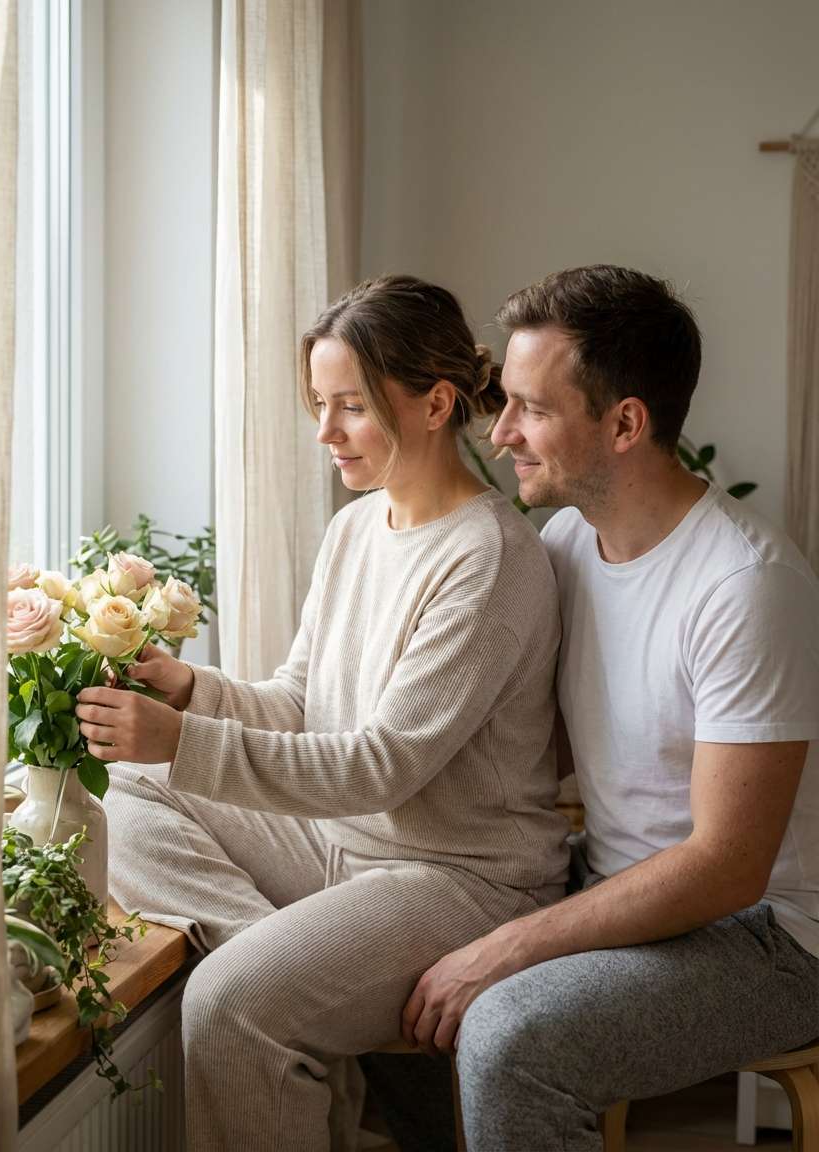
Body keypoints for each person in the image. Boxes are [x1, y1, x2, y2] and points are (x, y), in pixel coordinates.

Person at [75, 275, 571, 1152]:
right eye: (318, 403)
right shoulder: (356, 528)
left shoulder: (489, 559)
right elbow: (301, 703)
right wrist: (191, 692)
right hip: (341, 845)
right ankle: (287, 980)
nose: (324, 432)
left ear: (434, 403)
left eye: (350, 406)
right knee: (132, 784)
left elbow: (383, 765)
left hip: (458, 880)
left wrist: (188, 737)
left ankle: (273, 993)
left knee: (228, 1005)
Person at [401, 265, 819, 1152]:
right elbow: (532, 748)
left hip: (766, 940)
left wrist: (511, 945)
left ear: (625, 422)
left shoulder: (746, 586)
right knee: (390, 973)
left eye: (532, 409)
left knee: (511, 1037)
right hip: (611, 882)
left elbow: (726, 868)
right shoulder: (564, 545)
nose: (502, 432)